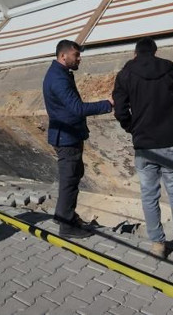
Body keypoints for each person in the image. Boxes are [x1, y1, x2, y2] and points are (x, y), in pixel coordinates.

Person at [112, 37, 173, 265]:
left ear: (136, 53)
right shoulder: (170, 70)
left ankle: (157, 245)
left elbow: (120, 108)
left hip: (144, 146)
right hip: (172, 142)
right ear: (154, 51)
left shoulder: (125, 74)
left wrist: (132, 128)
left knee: (149, 195)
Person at [43, 39, 113, 239]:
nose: (79, 59)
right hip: (66, 137)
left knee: (73, 176)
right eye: (76, 55)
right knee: (69, 180)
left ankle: (63, 215)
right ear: (63, 56)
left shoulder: (60, 74)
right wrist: (107, 104)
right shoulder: (58, 79)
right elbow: (78, 108)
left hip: (67, 134)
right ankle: (66, 226)